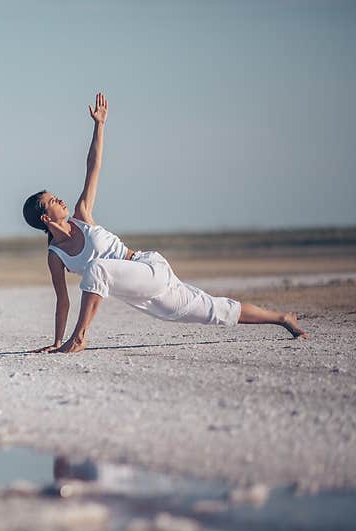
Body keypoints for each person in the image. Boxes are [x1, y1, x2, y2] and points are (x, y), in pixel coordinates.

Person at [23, 92, 306, 354]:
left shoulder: (82, 215)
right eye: (52, 201)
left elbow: (93, 166)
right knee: (214, 310)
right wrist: (55, 342)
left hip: (148, 267)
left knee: (96, 269)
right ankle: (282, 318)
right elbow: (63, 300)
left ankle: (80, 338)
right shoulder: (56, 256)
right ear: (46, 219)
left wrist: (100, 125)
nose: (60, 200)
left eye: (56, 196)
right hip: (139, 292)